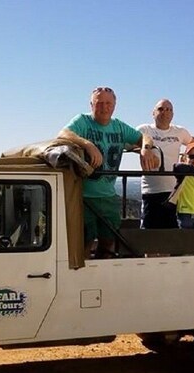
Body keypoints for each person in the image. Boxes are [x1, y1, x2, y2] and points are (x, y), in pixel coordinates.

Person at [58, 87, 158, 258]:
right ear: (91, 105)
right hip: (84, 196)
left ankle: (100, 280)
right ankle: (80, 281)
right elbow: (63, 134)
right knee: (84, 242)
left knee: (108, 242)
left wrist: (146, 148)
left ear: (114, 105)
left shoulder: (118, 126)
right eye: (100, 103)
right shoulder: (83, 121)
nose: (104, 107)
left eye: (108, 103)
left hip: (108, 196)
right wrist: (88, 145)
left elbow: (144, 137)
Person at [136, 99, 194, 229]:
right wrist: (144, 151)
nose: (165, 112)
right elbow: (129, 145)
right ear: (153, 113)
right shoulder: (144, 130)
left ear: (173, 114)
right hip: (151, 190)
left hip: (173, 191)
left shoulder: (180, 132)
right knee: (148, 232)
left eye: (169, 109)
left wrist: (188, 158)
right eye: (161, 109)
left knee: (171, 234)